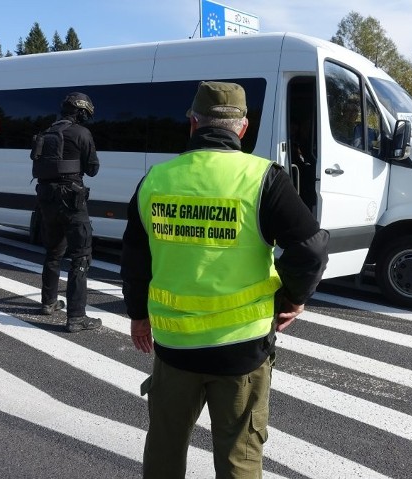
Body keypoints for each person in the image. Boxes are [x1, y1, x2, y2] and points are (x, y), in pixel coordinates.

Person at [121, 81, 329, 478]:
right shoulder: (263, 177)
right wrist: (293, 298)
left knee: (165, 447)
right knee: (239, 453)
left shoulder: (156, 180)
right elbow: (311, 249)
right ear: (243, 127)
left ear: (193, 123)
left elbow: (134, 260)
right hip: (242, 349)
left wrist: (138, 315)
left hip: (174, 347)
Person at [33, 92, 102, 332]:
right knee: (81, 257)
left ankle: (48, 302)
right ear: (81, 111)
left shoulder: (47, 133)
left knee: (53, 252)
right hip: (72, 200)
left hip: (46, 199)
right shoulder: (82, 133)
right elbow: (92, 169)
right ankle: (76, 317)